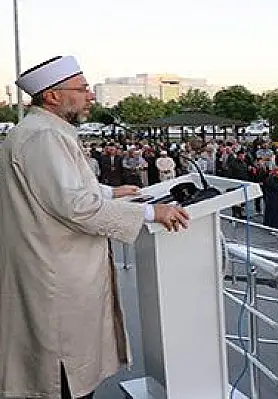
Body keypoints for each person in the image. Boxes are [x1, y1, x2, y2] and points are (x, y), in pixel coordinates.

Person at [0, 55, 189, 399]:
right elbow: (75, 205)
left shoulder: (46, 131)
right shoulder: (43, 136)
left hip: (56, 267)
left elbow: (60, 187)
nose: (90, 96)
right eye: (83, 88)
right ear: (53, 96)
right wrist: (151, 213)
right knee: (64, 375)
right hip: (55, 275)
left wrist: (111, 192)